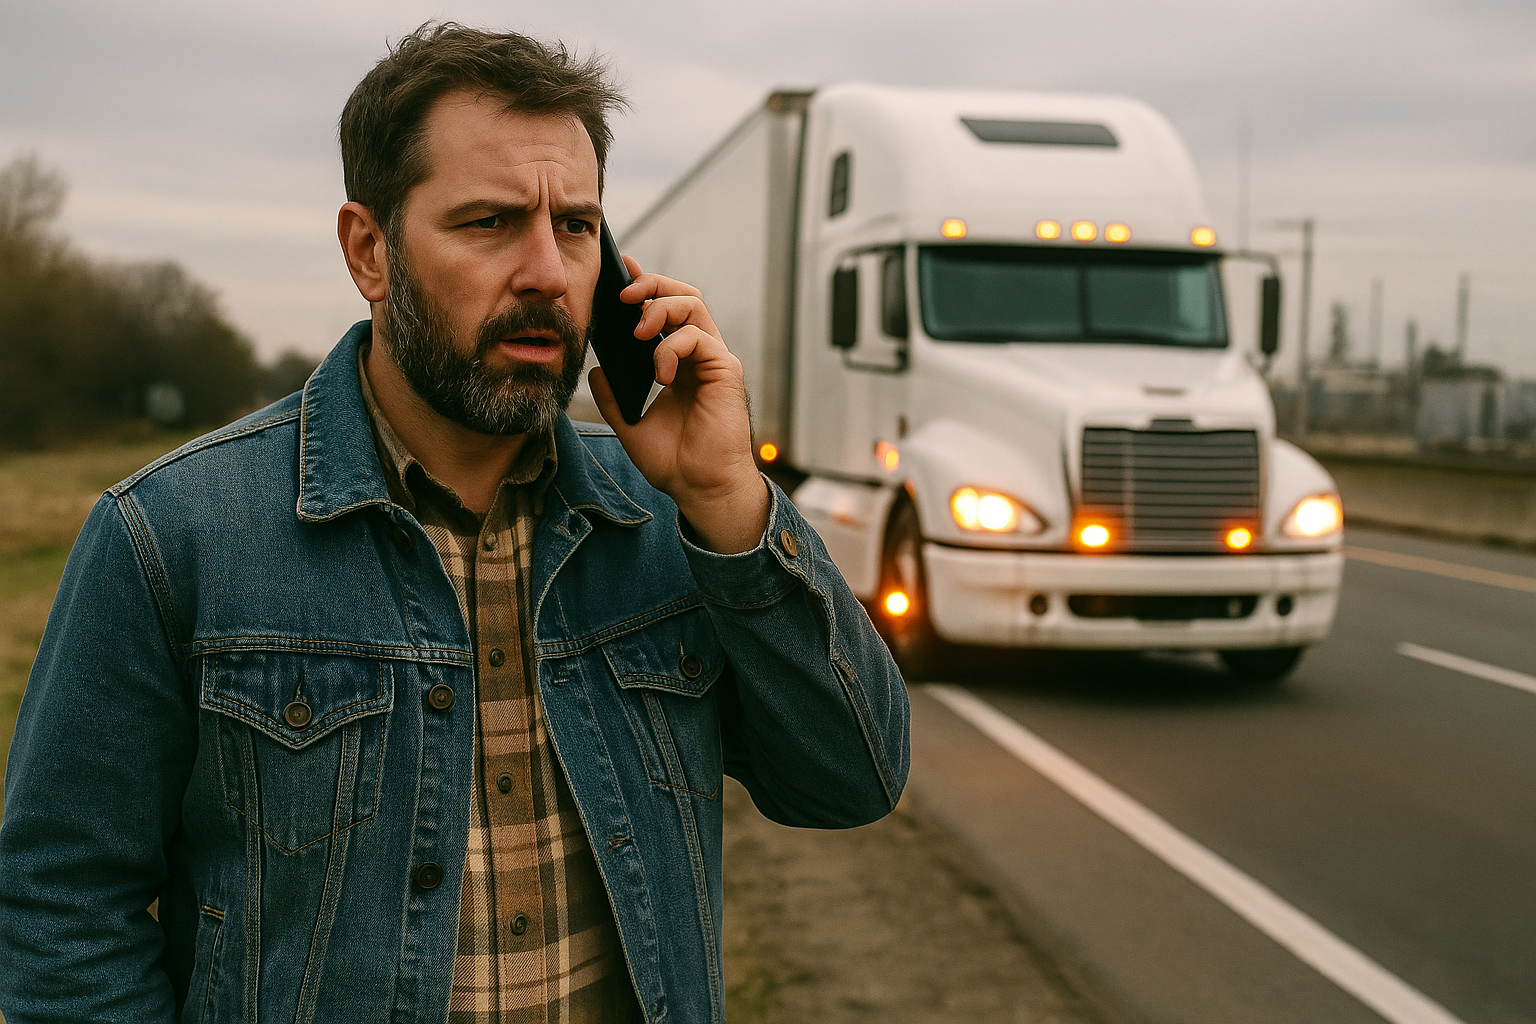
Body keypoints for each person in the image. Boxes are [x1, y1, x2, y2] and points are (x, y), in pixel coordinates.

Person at [0, 23, 909, 1024]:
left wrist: (731, 503)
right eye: (489, 223)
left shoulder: (666, 519)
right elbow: (62, 908)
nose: (548, 274)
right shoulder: (172, 536)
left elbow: (852, 779)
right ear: (368, 250)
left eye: (575, 226)